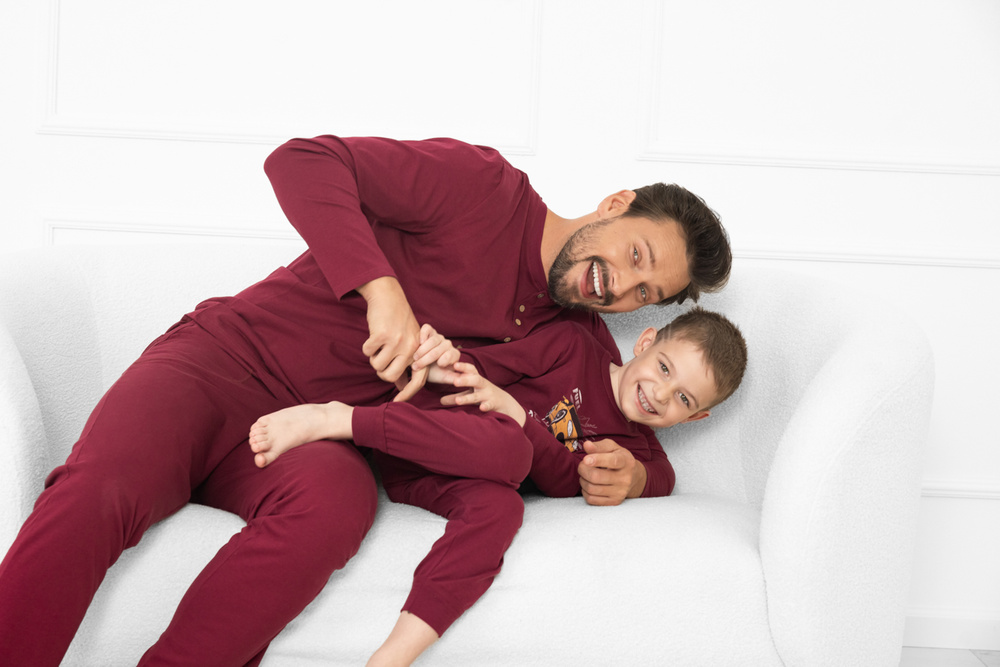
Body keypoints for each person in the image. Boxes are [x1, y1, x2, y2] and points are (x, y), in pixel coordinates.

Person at [0, 135, 732, 665]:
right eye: (635, 255)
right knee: (104, 487)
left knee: (336, 506)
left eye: (645, 293)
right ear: (615, 205)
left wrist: (640, 477)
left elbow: (611, 441)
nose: (620, 286)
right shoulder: (485, 187)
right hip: (222, 363)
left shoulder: (573, 340)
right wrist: (383, 292)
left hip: (312, 440)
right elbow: (302, 160)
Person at [249, 307, 749, 666]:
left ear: (695, 418)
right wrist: (456, 371)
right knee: (507, 446)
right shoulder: (573, 347)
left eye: (683, 399)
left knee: (503, 508)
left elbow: (599, 481)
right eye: (664, 368)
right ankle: (338, 419)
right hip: (432, 433)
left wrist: (635, 478)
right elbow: (486, 371)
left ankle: (393, 655)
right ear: (645, 342)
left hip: (447, 481)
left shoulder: (635, 454)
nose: (660, 393)